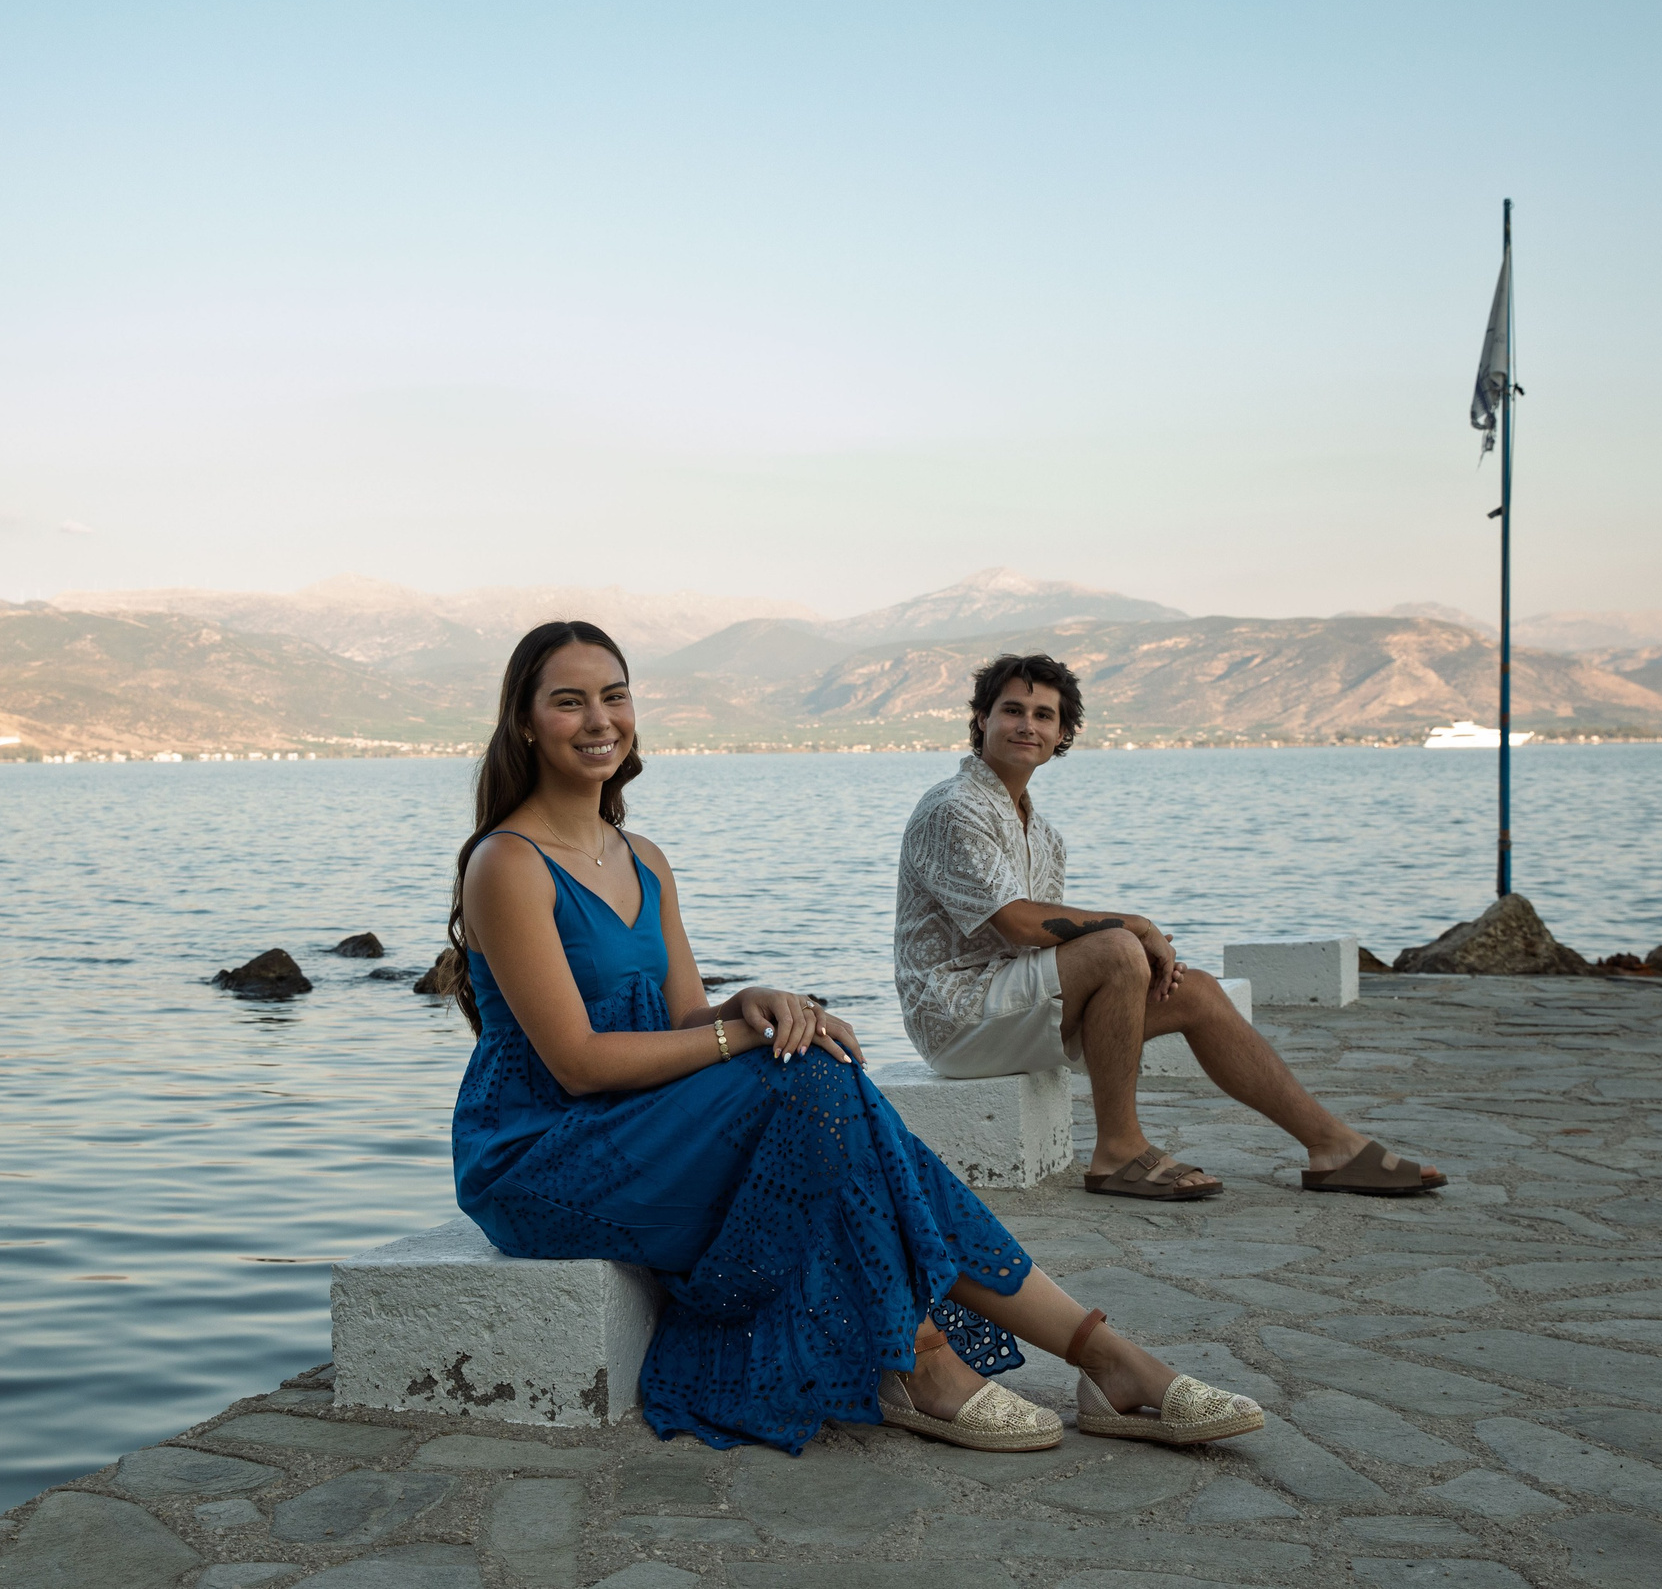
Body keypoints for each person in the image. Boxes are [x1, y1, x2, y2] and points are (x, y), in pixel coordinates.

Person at [447, 621, 1268, 1455]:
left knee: (830, 1086)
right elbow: (579, 1064)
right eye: (570, 701)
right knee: (815, 1088)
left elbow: (686, 1016)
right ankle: (952, 1357)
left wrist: (753, 1002)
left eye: (614, 696)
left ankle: (1089, 1355)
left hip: (639, 1125)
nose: (599, 720)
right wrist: (741, 1040)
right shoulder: (507, 863)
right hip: (542, 1155)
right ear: (526, 722)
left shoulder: (643, 859)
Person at [895, 653, 1447, 1201]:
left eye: (1044, 716)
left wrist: (1137, 968)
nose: (1026, 726)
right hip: (958, 1016)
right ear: (982, 719)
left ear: (1062, 734)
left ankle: (1332, 1147)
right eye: (1012, 710)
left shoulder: (1043, 834)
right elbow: (1019, 924)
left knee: (1197, 992)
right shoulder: (955, 807)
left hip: (1013, 1009)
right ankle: (1119, 1151)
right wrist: (1137, 932)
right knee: (1117, 948)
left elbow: (1046, 943)